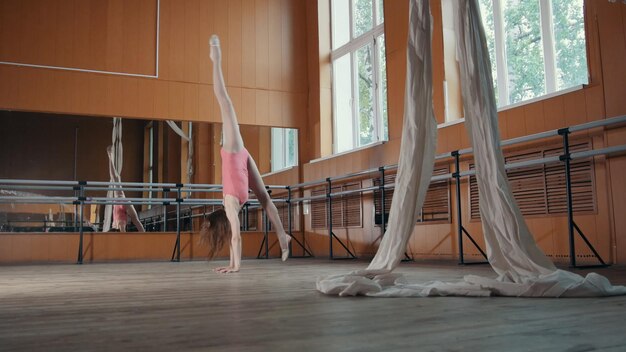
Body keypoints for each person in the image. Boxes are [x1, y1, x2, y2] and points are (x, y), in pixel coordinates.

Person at [201, 34, 291, 273]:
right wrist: (236, 267)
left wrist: (231, 264)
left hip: (241, 162)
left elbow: (233, 236)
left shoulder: (233, 207)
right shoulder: (229, 206)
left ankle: (284, 238)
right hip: (235, 155)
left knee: (265, 199)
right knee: (225, 103)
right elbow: (236, 238)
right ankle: (215, 58)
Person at [107, 146, 146, 232]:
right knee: (136, 221)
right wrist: (110, 156)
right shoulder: (116, 182)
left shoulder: (116, 182)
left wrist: (110, 156)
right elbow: (113, 175)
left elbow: (113, 175)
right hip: (122, 200)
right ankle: (144, 235)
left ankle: (143, 236)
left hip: (119, 201)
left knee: (123, 226)